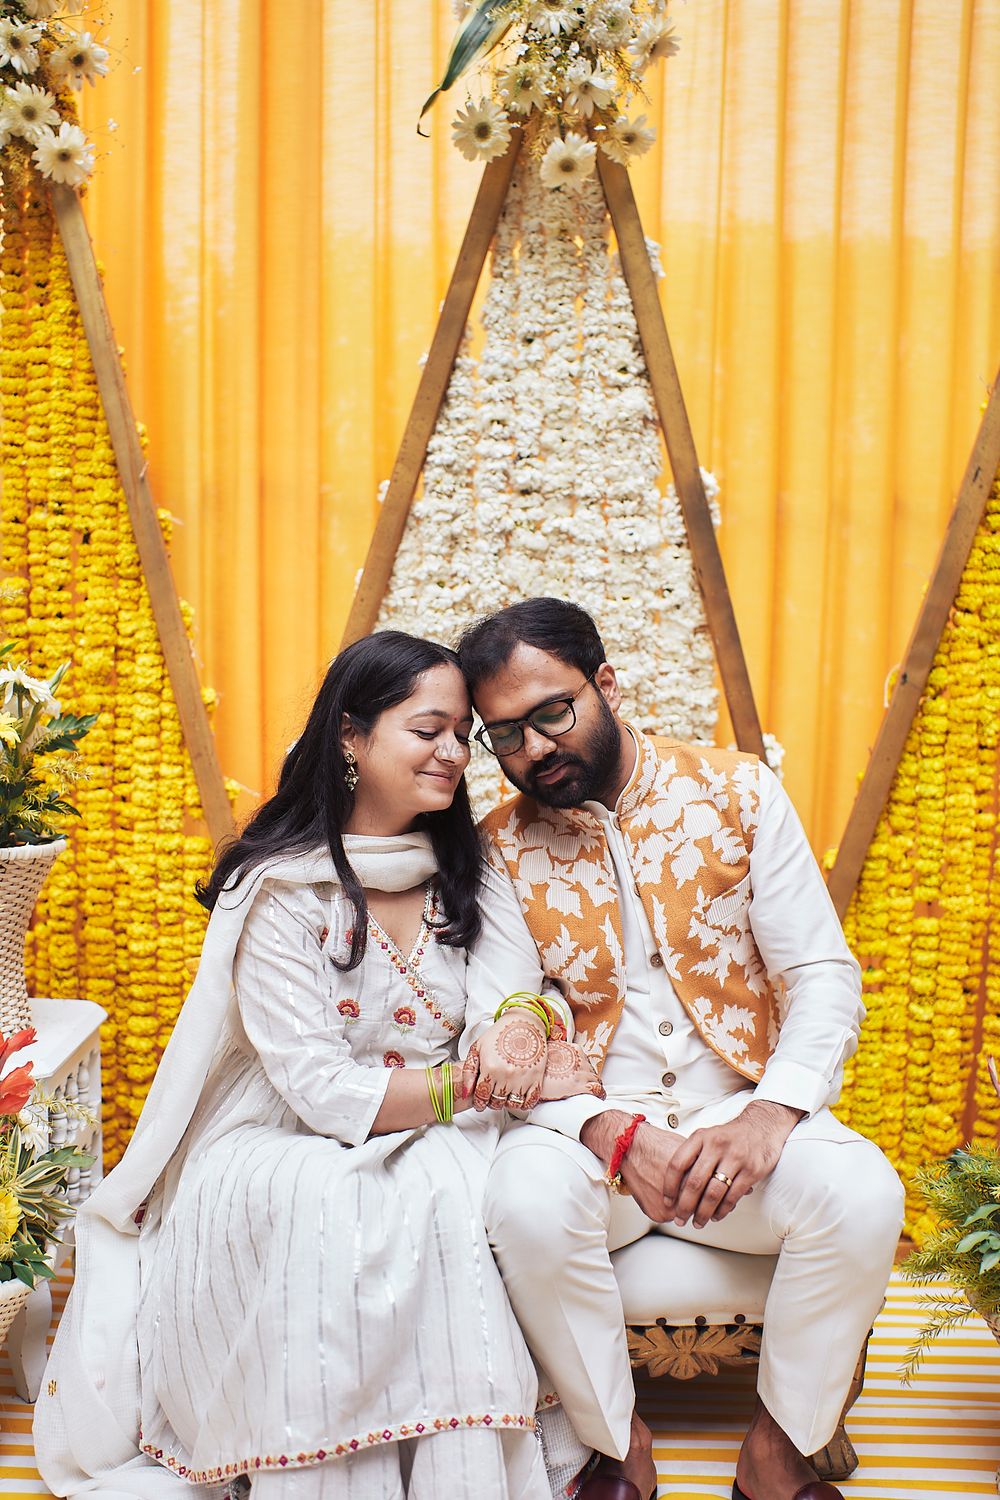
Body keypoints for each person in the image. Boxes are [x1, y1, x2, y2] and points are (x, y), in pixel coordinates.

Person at [34, 631, 598, 1500]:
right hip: (288, 1129)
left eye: (461, 735)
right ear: (350, 736)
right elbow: (322, 1090)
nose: (453, 753)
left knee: (448, 1185)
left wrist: (514, 1035)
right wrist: (475, 1082)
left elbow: (508, 992)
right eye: (428, 730)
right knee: (327, 1196)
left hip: (440, 1120)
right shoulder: (281, 890)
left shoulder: (465, 870)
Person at [456, 598, 906, 1500]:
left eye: (553, 713)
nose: (534, 749)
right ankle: (618, 1447)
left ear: (607, 685)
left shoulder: (738, 792)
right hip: (588, 1132)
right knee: (524, 1205)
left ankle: (776, 1456)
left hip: (741, 1114)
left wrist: (772, 1113)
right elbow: (495, 1025)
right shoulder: (497, 847)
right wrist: (606, 1130)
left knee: (866, 1195)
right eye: (503, 735)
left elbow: (821, 974)